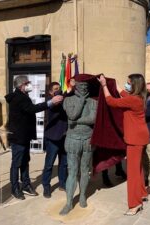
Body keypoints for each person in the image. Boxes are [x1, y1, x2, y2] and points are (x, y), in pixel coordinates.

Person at [98, 74, 150, 216]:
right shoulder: (139, 97)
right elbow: (123, 93)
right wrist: (114, 83)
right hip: (140, 136)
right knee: (138, 168)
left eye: (128, 83)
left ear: (134, 85)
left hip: (135, 139)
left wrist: (104, 85)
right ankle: (142, 194)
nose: (126, 86)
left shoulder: (133, 100)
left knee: (132, 173)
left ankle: (135, 204)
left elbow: (110, 101)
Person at [5, 75, 63, 200]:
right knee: (16, 163)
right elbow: (32, 109)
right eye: (27, 83)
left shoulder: (23, 96)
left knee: (25, 161)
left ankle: (26, 185)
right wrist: (50, 102)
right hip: (18, 137)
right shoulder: (18, 98)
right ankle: (15, 188)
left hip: (25, 136)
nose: (29, 85)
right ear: (22, 85)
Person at [59, 75, 97, 215]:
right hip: (73, 139)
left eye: (85, 86)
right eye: (81, 85)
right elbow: (72, 115)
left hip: (87, 138)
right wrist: (81, 101)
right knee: (73, 171)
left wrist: (77, 122)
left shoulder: (93, 103)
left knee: (85, 169)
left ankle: (82, 196)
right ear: (76, 86)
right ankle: (69, 202)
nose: (83, 88)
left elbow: (92, 119)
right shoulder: (68, 100)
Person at [42, 82, 68, 198]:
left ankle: (62, 184)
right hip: (52, 138)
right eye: (56, 89)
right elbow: (54, 107)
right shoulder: (50, 103)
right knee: (49, 165)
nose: (59, 91)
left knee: (63, 164)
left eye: (60, 89)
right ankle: (46, 187)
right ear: (51, 92)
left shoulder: (63, 100)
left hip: (64, 137)